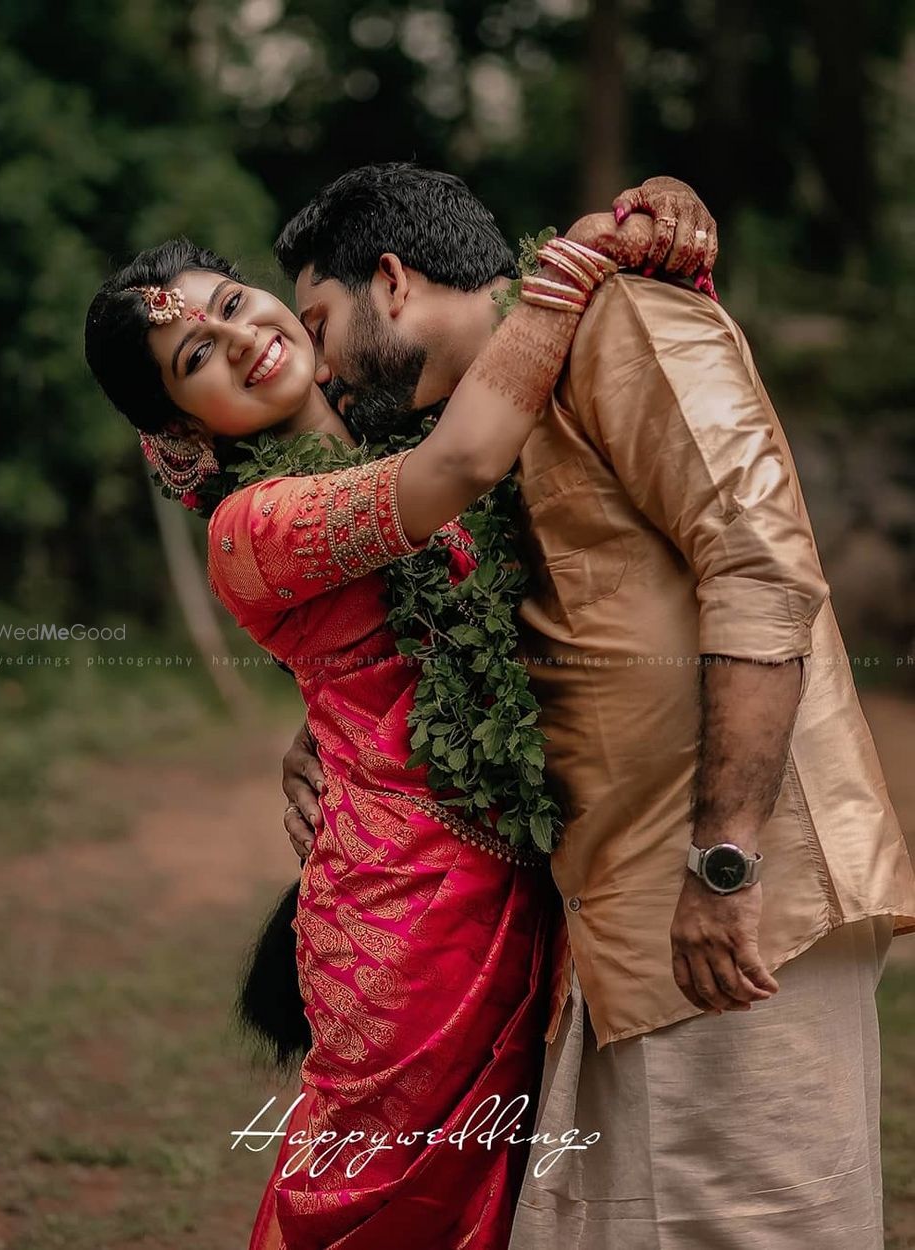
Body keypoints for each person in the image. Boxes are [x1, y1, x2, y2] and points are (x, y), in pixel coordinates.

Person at [278, 163, 915, 1249]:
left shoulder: (626, 314)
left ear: (389, 283)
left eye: (319, 322)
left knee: (751, 1226)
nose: (320, 368)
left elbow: (760, 569)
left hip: (739, 899)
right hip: (617, 916)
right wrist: (318, 731)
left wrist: (724, 861)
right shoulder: (483, 419)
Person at [83, 190, 704, 1250]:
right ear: (180, 429)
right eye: (195, 357)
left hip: (529, 872)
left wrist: (670, 215)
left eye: (232, 302)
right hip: (400, 920)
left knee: (501, 1201)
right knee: (371, 1203)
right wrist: (570, 262)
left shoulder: (402, 412)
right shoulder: (252, 525)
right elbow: (457, 472)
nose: (241, 337)